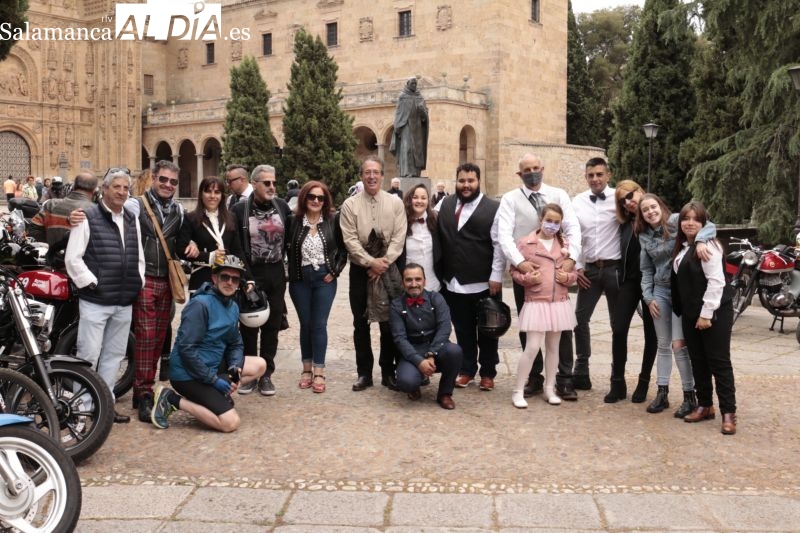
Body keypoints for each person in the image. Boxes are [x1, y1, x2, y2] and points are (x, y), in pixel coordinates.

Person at [496, 153, 580, 400]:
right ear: (519, 174)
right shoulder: (510, 199)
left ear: (542, 169)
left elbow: (573, 228)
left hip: (556, 273)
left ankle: (563, 380)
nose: (532, 172)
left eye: (536, 168)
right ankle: (533, 377)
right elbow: (504, 235)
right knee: (530, 332)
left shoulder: (559, 194)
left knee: (561, 333)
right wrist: (521, 264)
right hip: (528, 271)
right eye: (527, 169)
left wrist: (571, 259)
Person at [150, 255, 267, 432]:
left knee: (260, 365)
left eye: (235, 279)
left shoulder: (233, 306)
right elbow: (187, 349)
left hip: (212, 364)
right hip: (187, 374)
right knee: (230, 423)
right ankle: (171, 399)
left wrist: (235, 367)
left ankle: (213, 394)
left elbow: (235, 343)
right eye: (225, 277)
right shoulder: (200, 305)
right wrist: (213, 380)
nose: (229, 282)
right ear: (214, 278)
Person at [65, 168, 144, 424]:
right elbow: (73, 258)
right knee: (88, 355)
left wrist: (138, 281)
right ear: (105, 189)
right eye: (116, 187)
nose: (121, 192)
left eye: (126, 188)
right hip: (96, 300)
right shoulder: (87, 216)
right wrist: (91, 283)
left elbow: (138, 255)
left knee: (114, 355)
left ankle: (105, 405)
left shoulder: (131, 218)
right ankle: (82, 406)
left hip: (123, 299)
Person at [129, 160, 198, 422]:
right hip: (144, 278)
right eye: (163, 179)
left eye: (173, 182)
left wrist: (192, 244)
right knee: (146, 336)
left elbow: (182, 241)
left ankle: (142, 388)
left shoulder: (178, 210)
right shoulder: (136, 205)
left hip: (167, 281)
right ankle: (145, 392)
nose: (168, 185)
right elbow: (109, 214)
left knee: (159, 336)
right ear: (153, 178)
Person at [637, 193, 715, 418]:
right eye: (645, 210)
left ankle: (690, 396)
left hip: (681, 291)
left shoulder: (676, 220)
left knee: (679, 345)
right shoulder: (643, 235)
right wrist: (648, 297)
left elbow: (709, 225)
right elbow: (646, 270)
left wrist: (701, 241)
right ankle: (662, 393)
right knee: (663, 344)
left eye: (653, 207)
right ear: (641, 215)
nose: (650, 212)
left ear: (661, 206)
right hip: (660, 291)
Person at [339, 156, 407, 392]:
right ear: (361, 176)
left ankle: (388, 371)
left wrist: (383, 263)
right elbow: (350, 240)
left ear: (382, 175)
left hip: (389, 270)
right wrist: (370, 262)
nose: (371, 176)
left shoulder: (395, 203)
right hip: (361, 272)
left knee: (389, 323)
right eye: (367, 172)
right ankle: (364, 373)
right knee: (361, 323)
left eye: (375, 172)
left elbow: (399, 237)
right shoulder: (350, 205)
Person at [436, 162, 504, 391]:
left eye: (470, 181)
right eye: (462, 181)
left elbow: (498, 244)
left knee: (488, 330)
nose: (466, 185)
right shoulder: (445, 203)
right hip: (453, 283)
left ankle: (488, 372)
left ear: (478, 181)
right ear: (456, 181)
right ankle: (467, 370)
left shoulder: (493, 208)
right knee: (463, 330)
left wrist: (496, 275)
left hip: (484, 282)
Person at [671, 201, 737, 435]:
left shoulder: (708, 246)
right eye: (686, 218)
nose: (690, 223)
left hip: (713, 312)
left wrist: (706, 315)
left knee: (719, 362)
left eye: (696, 219)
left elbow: (716, 282)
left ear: (704, 223)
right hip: (691, 313)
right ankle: (705, 405)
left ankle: (728, 413)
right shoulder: (683, 247)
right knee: (698, 361)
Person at [230, 164, 291, 396]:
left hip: (276, 273)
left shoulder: (282, 206)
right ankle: (250, 374)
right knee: (248, 324)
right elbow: (236, 245)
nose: (272, 186)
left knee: (272, 326)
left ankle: (266, 374)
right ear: (254, 184)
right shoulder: (239, 209)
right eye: (267, 183)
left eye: (274, 182)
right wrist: (246, 277)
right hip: (251, 273)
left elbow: (290, 238)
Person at [510, 204, 578, 407]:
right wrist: (528, 279)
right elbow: (514, 271)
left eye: (557, 222)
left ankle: (550, 388)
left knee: (553, 347)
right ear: (541, 220)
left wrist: (568, 278)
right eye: (549, 220)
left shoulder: (564, 244)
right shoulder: (526, 243)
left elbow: (574, 272)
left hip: (559, 303)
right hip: (537, 301)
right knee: (532, 346)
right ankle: (518, 391)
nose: (552, 225)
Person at [286, 181, 347, 394]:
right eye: (311, 196)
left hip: (324, 278)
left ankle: (319, 371)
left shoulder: (332, 220)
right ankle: (306, 369)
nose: (315, 201)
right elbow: (283, 248)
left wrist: (335, 271)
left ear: (325, 201)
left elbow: (343, 250)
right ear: (304, 198)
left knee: (319, 324)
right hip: (300, 279)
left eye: (320, 198)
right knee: (306, 324)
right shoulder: (293, 221)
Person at [604, 180, 657, 403]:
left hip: (654, 285)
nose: (627, 202)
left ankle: (643, 382)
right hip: (630, 282)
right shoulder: (625, 224)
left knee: (651, 334)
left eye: (629, 196)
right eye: (622, 201)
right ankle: (617, 382)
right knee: (618, 329)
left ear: (639, 191)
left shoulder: (655, 217)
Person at [571, 157, 620, 390]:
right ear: (585, 177)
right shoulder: (577, 201)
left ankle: (617, 376)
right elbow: (572, 235)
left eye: (599, 174)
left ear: (608, 175)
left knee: (617, 323)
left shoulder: (619, 198)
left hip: (615, 269)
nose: (595, 179)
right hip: (589, 270)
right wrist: (577, 265)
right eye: (590, 175)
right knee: (579, 320)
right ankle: (581, 370)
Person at [389, 263, 463, 409]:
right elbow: (400, 339)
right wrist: (419, 362)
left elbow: (445, 328)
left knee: (455, 351)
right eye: (409, 280)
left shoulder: (437, 298)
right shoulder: (396, 305)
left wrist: (431, 354)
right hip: (413, 351)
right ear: (403, 282)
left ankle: (445, 394)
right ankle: (414, 385)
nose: (413, 284)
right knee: (406, 382)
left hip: (436, 348)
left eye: (418, 279)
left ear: (424, 281)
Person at [177, 176, 243, 291]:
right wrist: (209, 257)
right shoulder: (190, 218)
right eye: (208, 191)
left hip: (229, 282)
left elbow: (238, 251)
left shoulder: (231, 217)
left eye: (217, 192)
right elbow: (180, 250)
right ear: (201, 194)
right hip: (202, 282)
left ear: (222, 196)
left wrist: (248, 279)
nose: (212, 196)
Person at [29, 171, 98, 250]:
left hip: (52, 255)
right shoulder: (95, 211)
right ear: (94, 190)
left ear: (74, 187)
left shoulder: (51, 205)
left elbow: (33, 229)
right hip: (81, 257)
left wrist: (51, 247)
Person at [399, 183, 441, 292]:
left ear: (428, 201)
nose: (419, 201)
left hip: (433, 284)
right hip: (409, 285)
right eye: (415, 197)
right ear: (409, 199)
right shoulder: (401, 222)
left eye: (423, 198)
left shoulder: (436, 221)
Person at [389, 77, 428, 178]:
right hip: (406, 126)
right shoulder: (402, 96)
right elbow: (398, 113)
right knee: (407, 149)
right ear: (407, 84)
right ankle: (406, 172)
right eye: (412, 83)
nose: (414, 85)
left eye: (415, 83)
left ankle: (416, 172)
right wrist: (398, 126)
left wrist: (422, 112)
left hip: (418, 127)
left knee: (417, 151)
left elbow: (425, 116)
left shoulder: (420, 97)